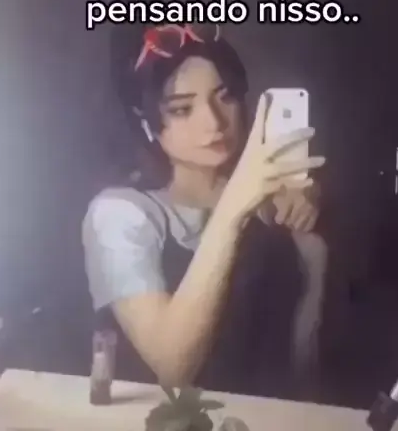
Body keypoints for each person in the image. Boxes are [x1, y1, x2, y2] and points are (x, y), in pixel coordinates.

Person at [82, 24, 327, 399]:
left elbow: (302, 357)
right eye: (182, 109)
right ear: (147, 123)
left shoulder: (270, 200)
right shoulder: (121, 215)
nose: (214, 122)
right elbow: (173, 365)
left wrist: (305, 234)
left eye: (224, 97)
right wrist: (236, 206)